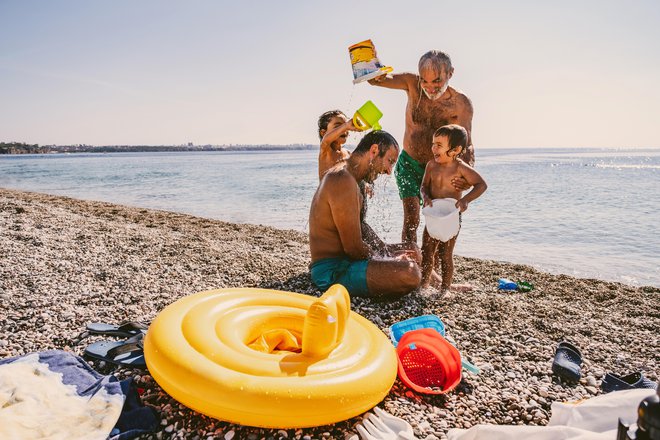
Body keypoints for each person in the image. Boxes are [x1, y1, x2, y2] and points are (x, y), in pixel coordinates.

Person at [369, 50, 475, 243]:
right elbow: (376, 80)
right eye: (425, 81)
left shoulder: (461, 104)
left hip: (438, 170)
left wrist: (467, 176)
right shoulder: (411, 83)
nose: (430, 87)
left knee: (436, 226)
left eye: (436, 81)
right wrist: (368, 66)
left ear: (450, 73)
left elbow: (466, 144)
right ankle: (409, 265)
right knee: (411, 219)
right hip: (409, 163)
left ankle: (427, 268)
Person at [309, 130, 422, 299]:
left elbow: (361, 226)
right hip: (332, 271)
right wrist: (387, 260)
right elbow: (353, 248)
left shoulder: (355, 178)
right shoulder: (341, 180)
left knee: (412, 249)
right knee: (410, 273)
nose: (389, 171)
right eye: (390, 161)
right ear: (374, 150)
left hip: (348, 262)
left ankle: (433, 282)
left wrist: (387, 251)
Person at [419, 125, 487, 293]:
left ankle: (445, 289)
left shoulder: (460, 168)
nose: (434, 148)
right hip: (434, 215)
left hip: (451, 217)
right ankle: (423, 286)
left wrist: (465, 200)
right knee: (427, 251)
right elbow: (423, 186)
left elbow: (481, 185)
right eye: (433, 143)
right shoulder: (431, 165)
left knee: (445, 254)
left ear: (455, 150)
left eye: (439, 145)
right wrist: (426, 197)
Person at [317, 110, 357, 180]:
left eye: (346, 127)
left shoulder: (348, 153)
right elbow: (326, 140)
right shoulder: (326, 151)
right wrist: (346, 126)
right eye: (338, 127)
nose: (344, 130)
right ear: (323, 133)